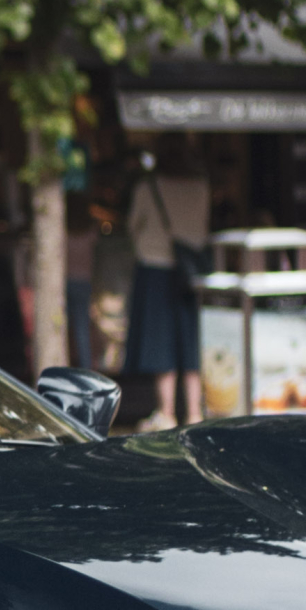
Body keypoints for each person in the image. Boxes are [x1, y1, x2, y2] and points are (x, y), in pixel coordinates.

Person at [125, 146, 210, 428]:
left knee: (160, 341)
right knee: (191, 338)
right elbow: (203, 226)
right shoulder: (201, 188)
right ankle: (195, 412)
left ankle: (167, 412)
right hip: (190, 272)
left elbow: (132, 226)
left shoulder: (147, 187)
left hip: (154, 267)